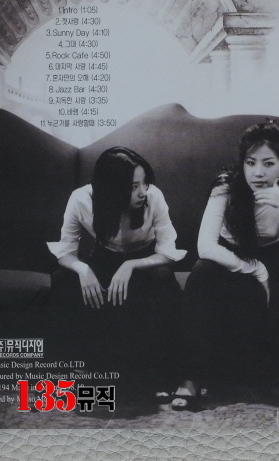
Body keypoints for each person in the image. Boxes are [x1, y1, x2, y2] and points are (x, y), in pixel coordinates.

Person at [173, 121, 279, 412]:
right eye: (251, 163)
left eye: (268, 163)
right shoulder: (226, 185)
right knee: (201, 274)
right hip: (231, 257)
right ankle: (191, 378)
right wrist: (255, 270)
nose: (258, 172)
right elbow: (206, 246)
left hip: (276, 254)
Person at [47, 147, 186, 400]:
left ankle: (160, 377)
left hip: (146, 261)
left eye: (144, 183)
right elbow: (65, 251)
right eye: (133, 187)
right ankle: (77, 373)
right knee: (61, 279)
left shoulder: (154, 197)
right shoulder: (81, 199)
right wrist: (83, 268)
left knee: (163, 279)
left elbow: (168, 252)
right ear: (111, 188)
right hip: (102, 258)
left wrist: (131, 265)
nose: (142, 191)